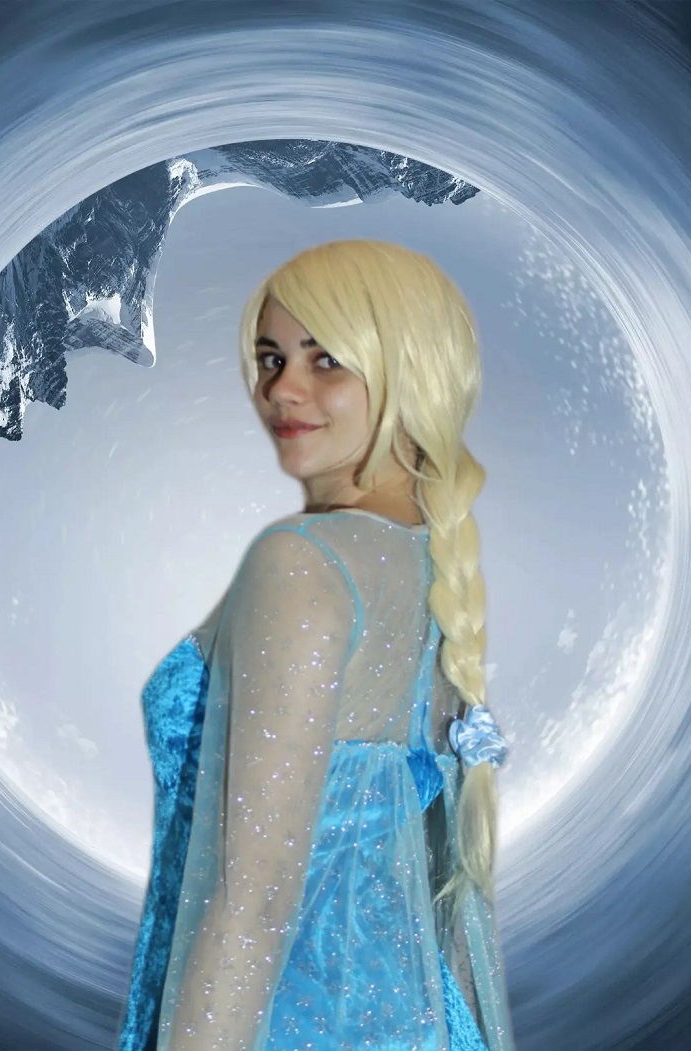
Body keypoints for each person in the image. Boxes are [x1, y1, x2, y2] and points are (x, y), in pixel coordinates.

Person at [116, 240, 515, 1051]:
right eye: (271, 357)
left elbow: (251, 902)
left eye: (324, 358)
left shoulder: (304, 564)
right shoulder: (432, 564)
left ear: (409, 368)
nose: (280, 389)